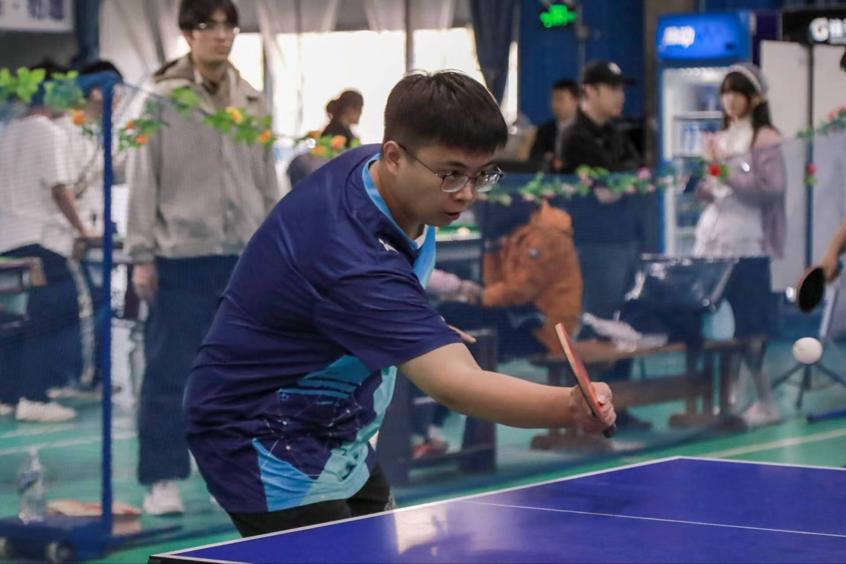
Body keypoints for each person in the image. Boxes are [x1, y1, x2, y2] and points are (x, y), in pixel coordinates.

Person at [184, 71, 616, 537]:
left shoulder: (383, 175)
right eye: (451, 174)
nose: (467, 193)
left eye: (480, 175)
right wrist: (569, 406)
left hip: (338, 425)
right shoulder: (350, 255)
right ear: (393, 156)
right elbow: (456, 386)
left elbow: (347, 301)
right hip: (263, 435)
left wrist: (409, 323)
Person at [126, 0, 279, 516]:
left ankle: (227, 471)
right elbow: (142, 178)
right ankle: (161, 478)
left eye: (229, 25)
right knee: (170, 372)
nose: (221, 34)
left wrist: (276, 249)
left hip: (243, 258)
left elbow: (266, 178)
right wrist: (141, 254)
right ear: (188, 34)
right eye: (208, 25)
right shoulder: (160, 98)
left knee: (239, 374)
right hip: (180, 257)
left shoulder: (252, 100)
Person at [692, 62, 786, 426]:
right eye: (725, 93)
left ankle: (764, 400)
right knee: (714, 323)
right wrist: (700, 186)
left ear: (754, 98)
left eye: (737, 92)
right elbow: (714, 187)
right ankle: (726, 399)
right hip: (714, 238)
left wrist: (725, 172)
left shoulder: (765, 138)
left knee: (751, 324)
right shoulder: (718, 139)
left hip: (749, 241)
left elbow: (771, 188)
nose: (729, 100)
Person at [0, 63, 92, 422]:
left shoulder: (9, 131)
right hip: (38, 238)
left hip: (7, 241)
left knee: (12, 321)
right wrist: (81, 230)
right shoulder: (48, 132)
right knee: (53, 316)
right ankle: (35, 396)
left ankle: (8, 395)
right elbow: (59, 189)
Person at [559, 60, 647, 430]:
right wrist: (623, 183)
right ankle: (590, 412)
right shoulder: (575, 137)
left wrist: (624, 183)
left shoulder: (616, 133)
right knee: (599, 323)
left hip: (627, 239)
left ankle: (620, 404)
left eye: (622, 89)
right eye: (612, 88)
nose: (620, 96)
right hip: (595, 245)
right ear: (590, 91)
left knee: (626, 320)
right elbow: (608, 189)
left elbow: (634, 175)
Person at [529, 79, 579, 172]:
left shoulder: (586, 130)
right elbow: (535, 159)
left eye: (560, 99)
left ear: (576, 101)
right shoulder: (545, 130)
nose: (555, 104)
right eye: (553, 99)